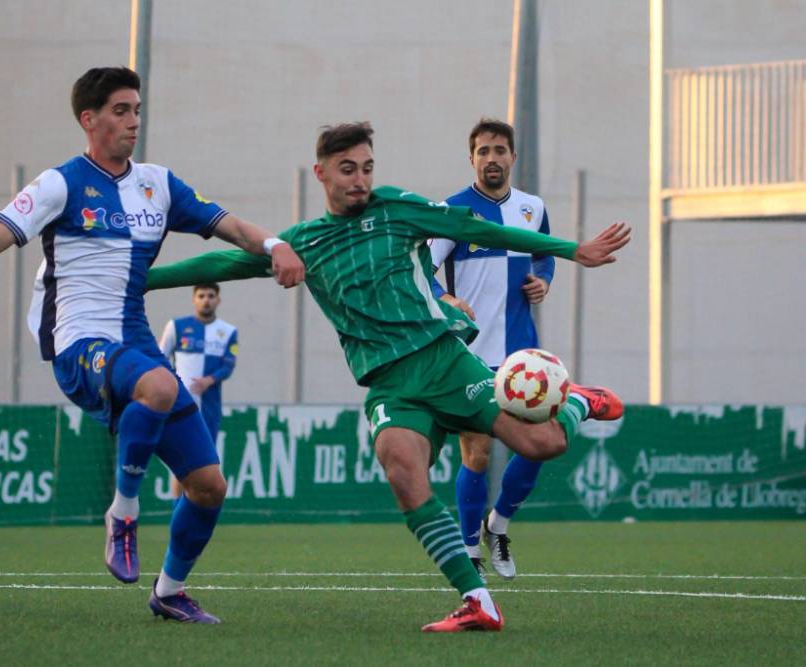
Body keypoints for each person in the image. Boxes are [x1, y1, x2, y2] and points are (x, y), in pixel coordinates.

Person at [141, 122, 630, 632]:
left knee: (541, 444)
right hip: (390, 385)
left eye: (368, 168)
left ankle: (576, 400)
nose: (360, 180)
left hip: (444, 363)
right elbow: (226, 260)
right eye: (348, 170)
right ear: (321, 173)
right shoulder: (306, 242)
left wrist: (571, 250)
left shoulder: (397, 208)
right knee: (402, 469)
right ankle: (478, 600)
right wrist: (143, 280)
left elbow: (479, 230)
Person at [0, 66, 305, 624]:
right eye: (120, 110)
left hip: (133, 340)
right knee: (160, 386)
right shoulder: (60, 183)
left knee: (208, 486)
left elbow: (227, 223)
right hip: (78, 343)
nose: (133, 120)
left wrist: (276, 243)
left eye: (136, 109)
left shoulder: (158, 184)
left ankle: (168, 591)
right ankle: (125, 512)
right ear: (89, 120)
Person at [429, 118, 556, 581]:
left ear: (513, 157)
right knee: (477, 455)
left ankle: (496, 526)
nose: (492, 158)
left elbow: (544, 254)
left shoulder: (531, 208)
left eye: (499, 150)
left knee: (540, 445)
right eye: (483, 151)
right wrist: (444, 299)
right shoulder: (453, 211)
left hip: (524, 357)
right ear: (472, 159)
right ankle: (468, 550)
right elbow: (422, 268)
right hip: (471, 354)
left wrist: (544, 279)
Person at [159, 283, 238, 497]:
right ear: (194, 299)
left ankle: (193, 514)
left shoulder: (228, 332)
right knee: (180, 464)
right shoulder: (176, 326)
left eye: (211, 296)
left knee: (204, 466)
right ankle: (177, 513)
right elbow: (159, 358)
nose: (206, 300)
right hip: (180, 406)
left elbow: (228, 365)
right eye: (201, 295)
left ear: (218, 300)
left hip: (209, 410)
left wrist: (209, 380)